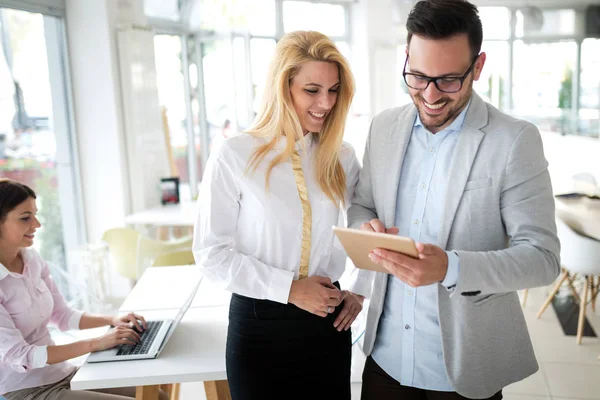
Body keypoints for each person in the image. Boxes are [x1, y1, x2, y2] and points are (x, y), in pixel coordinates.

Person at [348, 1, 560, 399]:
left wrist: (451, 267)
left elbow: (542, 259)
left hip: (464, 371)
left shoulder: (514, 140)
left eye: (447, 80)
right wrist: (364, 226)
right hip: (384, 360)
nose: (429, 95)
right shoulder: (383, 127)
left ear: (477, 68)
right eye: (416, 76)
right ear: (406, 57)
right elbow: (363, 205)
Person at [193, 31, 364, 399]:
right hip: (259, 327)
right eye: (312, 90)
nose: (326, 102)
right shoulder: (235, 154)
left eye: (334, 90)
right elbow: (211, 254)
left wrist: (361, 290)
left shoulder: (342, 156)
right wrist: (288, 289)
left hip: (327, 326)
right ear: (283, 87)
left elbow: (367, 224)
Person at [0, 179, 168, 400]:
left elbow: (62, 316)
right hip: (25, 391)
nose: (37, 224)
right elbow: (22, 356)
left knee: (157, 397)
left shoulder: (32, 260)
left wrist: (113, 319)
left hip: (62, 374)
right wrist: (96, 344)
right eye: (25, 218)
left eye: (35, 214)